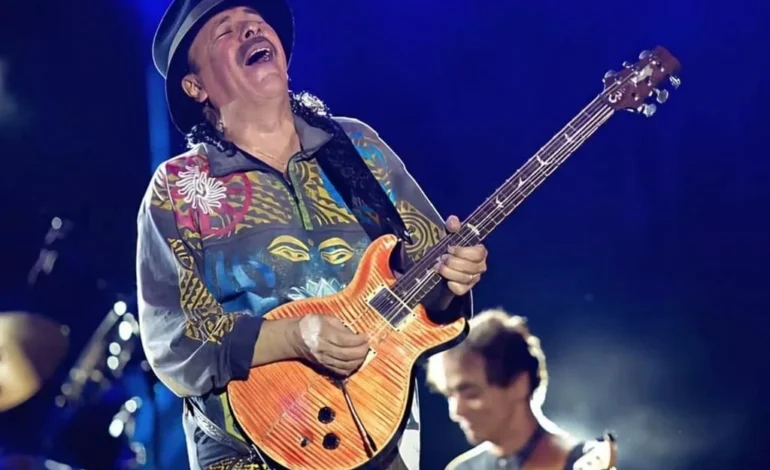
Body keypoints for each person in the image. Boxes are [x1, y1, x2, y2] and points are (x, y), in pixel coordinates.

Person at [137, 1, 489, 469]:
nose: (250, 29)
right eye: (225, 30)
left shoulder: (356, 148)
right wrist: (294, 336)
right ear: (195, 86)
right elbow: (176, 339)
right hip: (251, 450)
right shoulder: (179, 187)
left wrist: (451, 278)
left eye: (255, 21)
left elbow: (423, 284)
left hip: (373, 430)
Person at [426, 309, 618, 470]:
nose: (456, 412)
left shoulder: (584, 461)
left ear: (519, 384)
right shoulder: (462, 468)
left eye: (471, 394)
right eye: (450, 395)